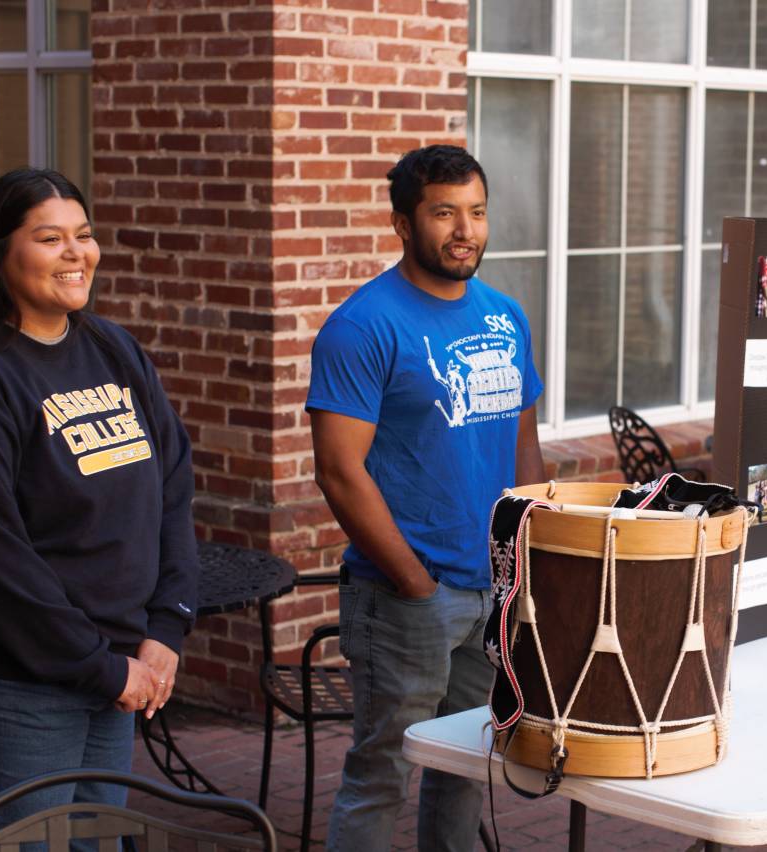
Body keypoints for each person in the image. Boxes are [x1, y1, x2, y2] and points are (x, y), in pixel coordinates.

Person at [0, 168, 198, 843]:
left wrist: (166, 627)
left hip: (115, 672)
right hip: (7, 685)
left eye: (83, 236)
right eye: (49, 237)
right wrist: (101, 664)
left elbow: (172, 488)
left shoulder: (111, 348)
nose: (75, 253)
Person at [307, 145, 545, 851]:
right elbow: (338, 470)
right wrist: (413, 580)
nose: (464, 229)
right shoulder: (363, 325)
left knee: (466, 765)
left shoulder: (505, 315)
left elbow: (522, 441)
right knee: (382, 769)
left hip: (492, 586)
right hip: (408, 592)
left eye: (476, 212)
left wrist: (526, 551)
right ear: (403, 224)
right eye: (444, 213)